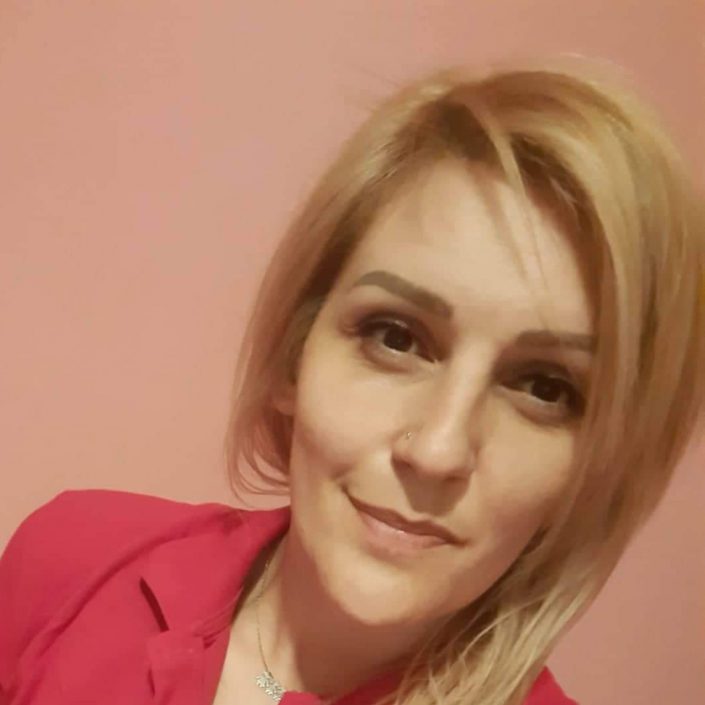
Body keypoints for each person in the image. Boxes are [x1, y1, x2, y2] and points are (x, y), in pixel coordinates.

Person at [1, 59, 703, 705]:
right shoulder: (74, 562)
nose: (437, 449)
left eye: (544, 387)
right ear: (294, 352)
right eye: (395, 337)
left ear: (599, 467)